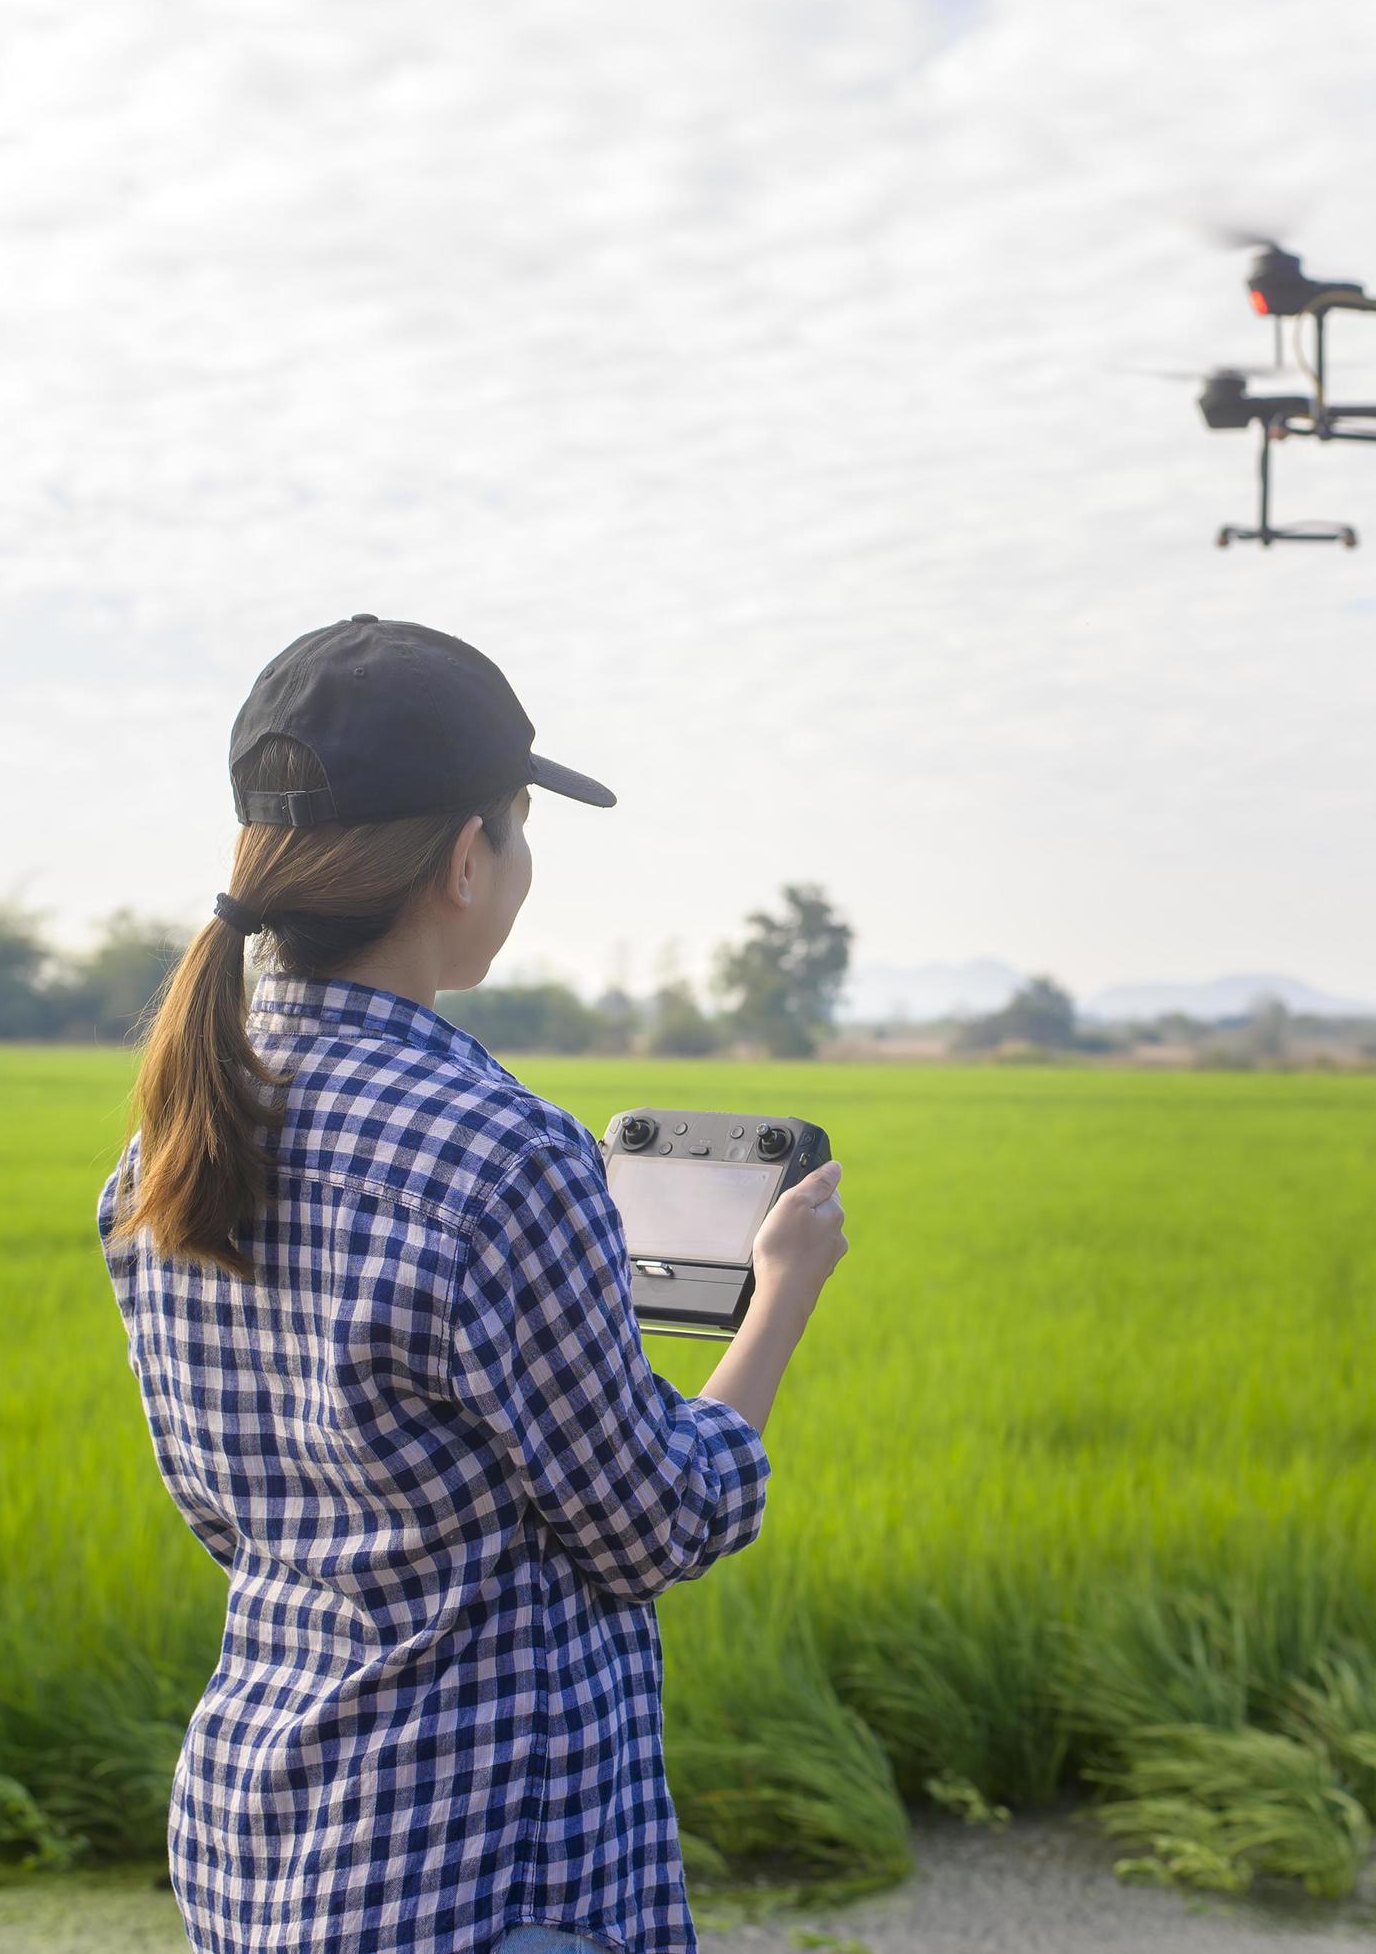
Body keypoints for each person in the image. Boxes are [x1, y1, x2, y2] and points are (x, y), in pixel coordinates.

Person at [99, 615, 847, 1954]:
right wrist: (779, 1293)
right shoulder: (498, 1150)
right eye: (518, 828)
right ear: (464, 857)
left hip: (262, 1845)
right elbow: (652, 1526)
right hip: (485, 1878)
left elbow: (233, 1514)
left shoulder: (172, 1135)